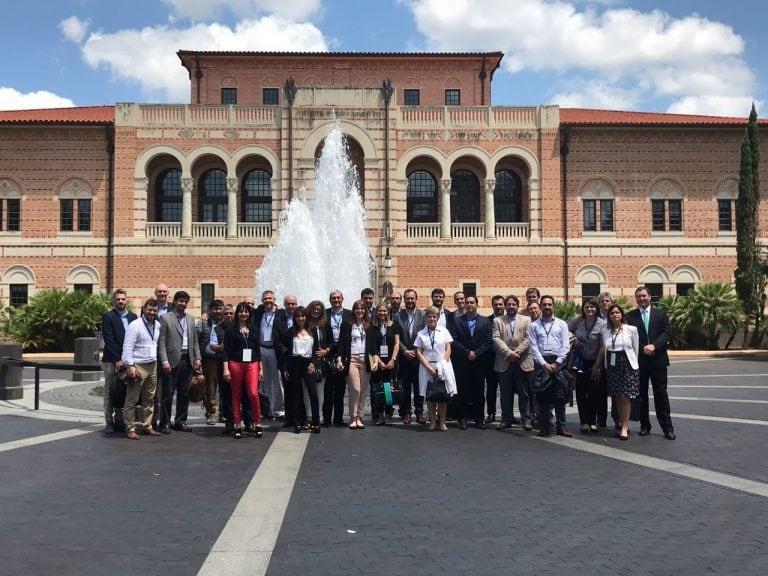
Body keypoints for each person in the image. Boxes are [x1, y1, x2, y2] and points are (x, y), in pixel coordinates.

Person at [626, 286, 676, 440]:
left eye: (644, 296)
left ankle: (667, 428)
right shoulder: (630, 317)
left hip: (658, 360)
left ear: (650, 297)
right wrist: (643, 348)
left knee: (661, 395)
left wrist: (655, 345)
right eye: (639, 297)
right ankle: (644, 426)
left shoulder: (661, 315)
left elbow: (667, 332)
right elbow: (629, 338)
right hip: (639, 361)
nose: (641, 299)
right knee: (641, 396)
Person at [157, 290, 202, 433]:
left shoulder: (190, 318)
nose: (182, 304)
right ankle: (165, 423)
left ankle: (181, 421)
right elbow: (162, 342)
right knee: (168, 393)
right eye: (180, 301)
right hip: (171, 361)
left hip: (187, 360)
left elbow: (194, 341)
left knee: (184, 393)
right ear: (175, 301)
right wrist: (164, 360)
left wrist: (197, 357)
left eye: (185, 302)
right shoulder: (165, 318)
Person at [528, 295, 572, 437]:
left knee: (560, 396)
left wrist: (557, 362)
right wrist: (544, 364)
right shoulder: (534, 326)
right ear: (541, 307)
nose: (547, 307)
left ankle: (562, 426)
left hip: (558, 362)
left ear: (553, 306)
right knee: (542, 397)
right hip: (542, 363)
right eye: (544, 305)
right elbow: (533, 347)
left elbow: (566, 345)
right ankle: (544, 427)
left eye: (549, 305)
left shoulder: (562, 324)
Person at [594, 305, 639, 441]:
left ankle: (625, 426)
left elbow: (635, 348)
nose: (615, 315)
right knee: (617, 397)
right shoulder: (606, 332)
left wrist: (634, 365)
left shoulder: (631, 329)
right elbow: (604, 348)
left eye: (617, 312)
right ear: (609, 316)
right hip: (612, 366)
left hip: (627, 365)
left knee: (625, 396)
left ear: (622, 314)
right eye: (612, 313)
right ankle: (620, 423)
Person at [120, 299, 161, 439]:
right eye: (150, 309)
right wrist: (129, 365)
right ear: (144, 309)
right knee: (132, 399)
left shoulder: (158, 325)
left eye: (155, 310)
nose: (152, 312)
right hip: (138, 366)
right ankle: (130, 427)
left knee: (149, 398)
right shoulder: (135, 325)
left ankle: (147, 425)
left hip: (152, 365)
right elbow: (127, 347)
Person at [492, 294, 534, 431]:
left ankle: (526, 420)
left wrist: (517, 352)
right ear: (505, 306)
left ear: (517, 305)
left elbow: (529, 338)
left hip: (522, 360)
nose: (511, 307)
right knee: (505, 393)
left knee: (524, 392)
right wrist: (509, 353)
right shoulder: (498, 321)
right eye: (508, 304)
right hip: (504, 361)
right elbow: (496, 339)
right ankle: (506, 419)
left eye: (513, 304)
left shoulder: (526, 320)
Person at [450, 295, 492, 429]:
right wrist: (467, 353)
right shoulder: (457, 321)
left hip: (479, 362)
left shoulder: (485, 322)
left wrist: (477, 353)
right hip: (462, 361)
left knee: (479, 391)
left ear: (476, 304)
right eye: (467, 303)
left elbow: (488, 341)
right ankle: (462, 418)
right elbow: (454, 340)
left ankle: (479, 418)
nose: (469, 305)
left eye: (472, 302)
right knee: (462, 390)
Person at [222, 301, 262, 439]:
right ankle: (237, 424)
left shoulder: (254, 329)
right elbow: (226, 351)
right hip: (236, 364)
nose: (243, 314)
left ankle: (257, 422)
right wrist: (226, 369)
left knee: (253, 393)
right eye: (241, 311)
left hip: (252, 363)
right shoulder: (230, 329)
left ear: (249, 313)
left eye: (246, 311)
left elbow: (257, 349)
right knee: (236, 395)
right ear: (237, 313)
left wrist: (260, 368)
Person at [100, 288, 137, 434]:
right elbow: (109, 339)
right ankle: (109, 421)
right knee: (110, 390)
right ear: (114, 301)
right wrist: (117, 359)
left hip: (129, 360)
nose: (120, 301)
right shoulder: (108, 317)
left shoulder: (133, 317)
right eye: (118, 299)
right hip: (111, 360)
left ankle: (121, 420)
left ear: (126, 300)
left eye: (123, 299)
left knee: (125, 391)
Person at [567, 298, 606, 433]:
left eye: (592, 307)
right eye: (587, 307)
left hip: (596, 362)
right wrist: (573, 338)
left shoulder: (603, 324)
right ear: (583, 309)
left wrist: (597, 365)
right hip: (580, 362)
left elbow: (603, 346)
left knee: (595, 392)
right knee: (581, 392)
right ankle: (583, 422)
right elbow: (564, 330)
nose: (589, 310)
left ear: (597, 309)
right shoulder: (578, 321)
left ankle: (592, 420)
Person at [281, 306, 322, 433]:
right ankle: (298, 423)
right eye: (298, 316)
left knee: (313, 394)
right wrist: (285, 368)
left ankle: (316, 422)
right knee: (296, 395)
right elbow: (286, 352)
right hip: (294, 363)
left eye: (303, 316)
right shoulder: (290, 332)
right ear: (295, 318)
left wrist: (314, 363)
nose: (301, 318)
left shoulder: (312, 330)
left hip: (308, 363)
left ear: (306, 317)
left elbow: (317, 350)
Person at [336, 299, 375, 429]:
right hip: (351, 359)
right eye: (357, 308)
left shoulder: (369, 325)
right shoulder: (347, 324)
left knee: (363, 390)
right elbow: (341, 344)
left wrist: (374, 361)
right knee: (355, 389)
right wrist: (339, 359)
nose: (360, 311)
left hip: (365, 360)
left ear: (365, 311)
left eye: (362, 309)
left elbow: (373, 346)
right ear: (354, 310)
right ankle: (353, 417)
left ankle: (359, 417)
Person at [415, 306, 455, 431]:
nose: (431, 319)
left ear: (437, 318)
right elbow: (419, 352)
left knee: (442, 395)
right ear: (426, 318)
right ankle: (432, 422)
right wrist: (428, 367)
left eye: (434, 316)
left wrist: (442, 364)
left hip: (442, 365)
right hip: (426, 367)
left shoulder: (444, 331)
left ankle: (442, 422)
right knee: (430, 395)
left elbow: (448, 348)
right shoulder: (421, 333)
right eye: (429, 316)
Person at [394, 289, 426, 425]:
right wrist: (405, 351)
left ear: (416, 299)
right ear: (404, 300)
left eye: (412, 298)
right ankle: (406, 412)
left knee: (420, 386)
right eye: (407, 298)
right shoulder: (397, 316)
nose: (410, 301)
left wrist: (417, 350)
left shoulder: (423, 315)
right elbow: (396, 338)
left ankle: (419, 412)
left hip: (419, 357)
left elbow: (425, 334)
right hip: (404, 357)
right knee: (405, 386)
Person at [370, 303, 401, 426]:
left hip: (390, 361)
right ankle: (380, 415)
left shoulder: (394, 325)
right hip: (376, 360)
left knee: (389, 389)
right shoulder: (372, 327)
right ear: (376, 312)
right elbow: (371, 345)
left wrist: (393, 359)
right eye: (380, 311)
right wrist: (379, 361)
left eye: (384, 311)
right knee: (377, 388)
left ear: (388, 312)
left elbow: (397, 344)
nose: (382, 313)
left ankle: (388, 415)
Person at [324, 290, 350, 426]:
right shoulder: (324, 314)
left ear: (342, 299)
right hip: (328, 353)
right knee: (328, 389)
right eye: (333, 298)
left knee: (340, 389)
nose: (336, 300)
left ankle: (338, 419)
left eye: (338, 298)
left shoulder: (349, 314)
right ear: (330, 300)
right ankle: (327, 419)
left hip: (343, 353)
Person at [304, 300, 332, 428]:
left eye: (319, 309)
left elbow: (331, 341)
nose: (316, 311)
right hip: (308, 361)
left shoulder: (324, 324)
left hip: (322, 362)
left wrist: (326, 351)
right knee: (307, 390)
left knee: (320, 390)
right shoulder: (305, 324)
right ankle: (309, 416)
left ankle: (318, 416)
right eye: (314, 309)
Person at [254, 290, 281, 420]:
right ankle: (268, 410)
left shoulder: (280, 313)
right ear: (262, 301)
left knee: (277, 381)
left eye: (270, 298)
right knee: (265, 382)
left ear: (274, 300)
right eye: (265, 299)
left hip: (275, 350)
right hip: (262, 348)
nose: (268, 301)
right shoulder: (260, 312)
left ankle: (279, 410)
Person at [196, 298, 224, 425]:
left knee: (224, 388)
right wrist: (197, 358)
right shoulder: (203, 323)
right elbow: (195, 341)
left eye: (220, 309)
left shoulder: (226, 322)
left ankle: (224, 413)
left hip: (224, 359)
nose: (218, 311)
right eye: (215, 309)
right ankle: (211, 413)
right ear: (210, 310)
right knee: (210, 388)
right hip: (209, 360)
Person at [596, 291, 617, 428]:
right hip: (597, 360)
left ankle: (618, 420)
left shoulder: (617, 317)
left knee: (616, 392)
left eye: (607, 301)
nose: (605, 303)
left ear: (611, 302)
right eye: (602, 301)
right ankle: (601, 421)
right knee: (600, 392)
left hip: (614, 360)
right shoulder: (593, 317)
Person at [484, 294, 506, 423]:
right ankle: (491, 413)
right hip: (491, 360)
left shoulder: (509, 320)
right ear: (492, 306)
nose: (498, 307)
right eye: (496, 304)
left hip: (506, 359)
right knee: (491, 389)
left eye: (500, 304)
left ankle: (506, 414)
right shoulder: (486, 321)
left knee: (506, 390)